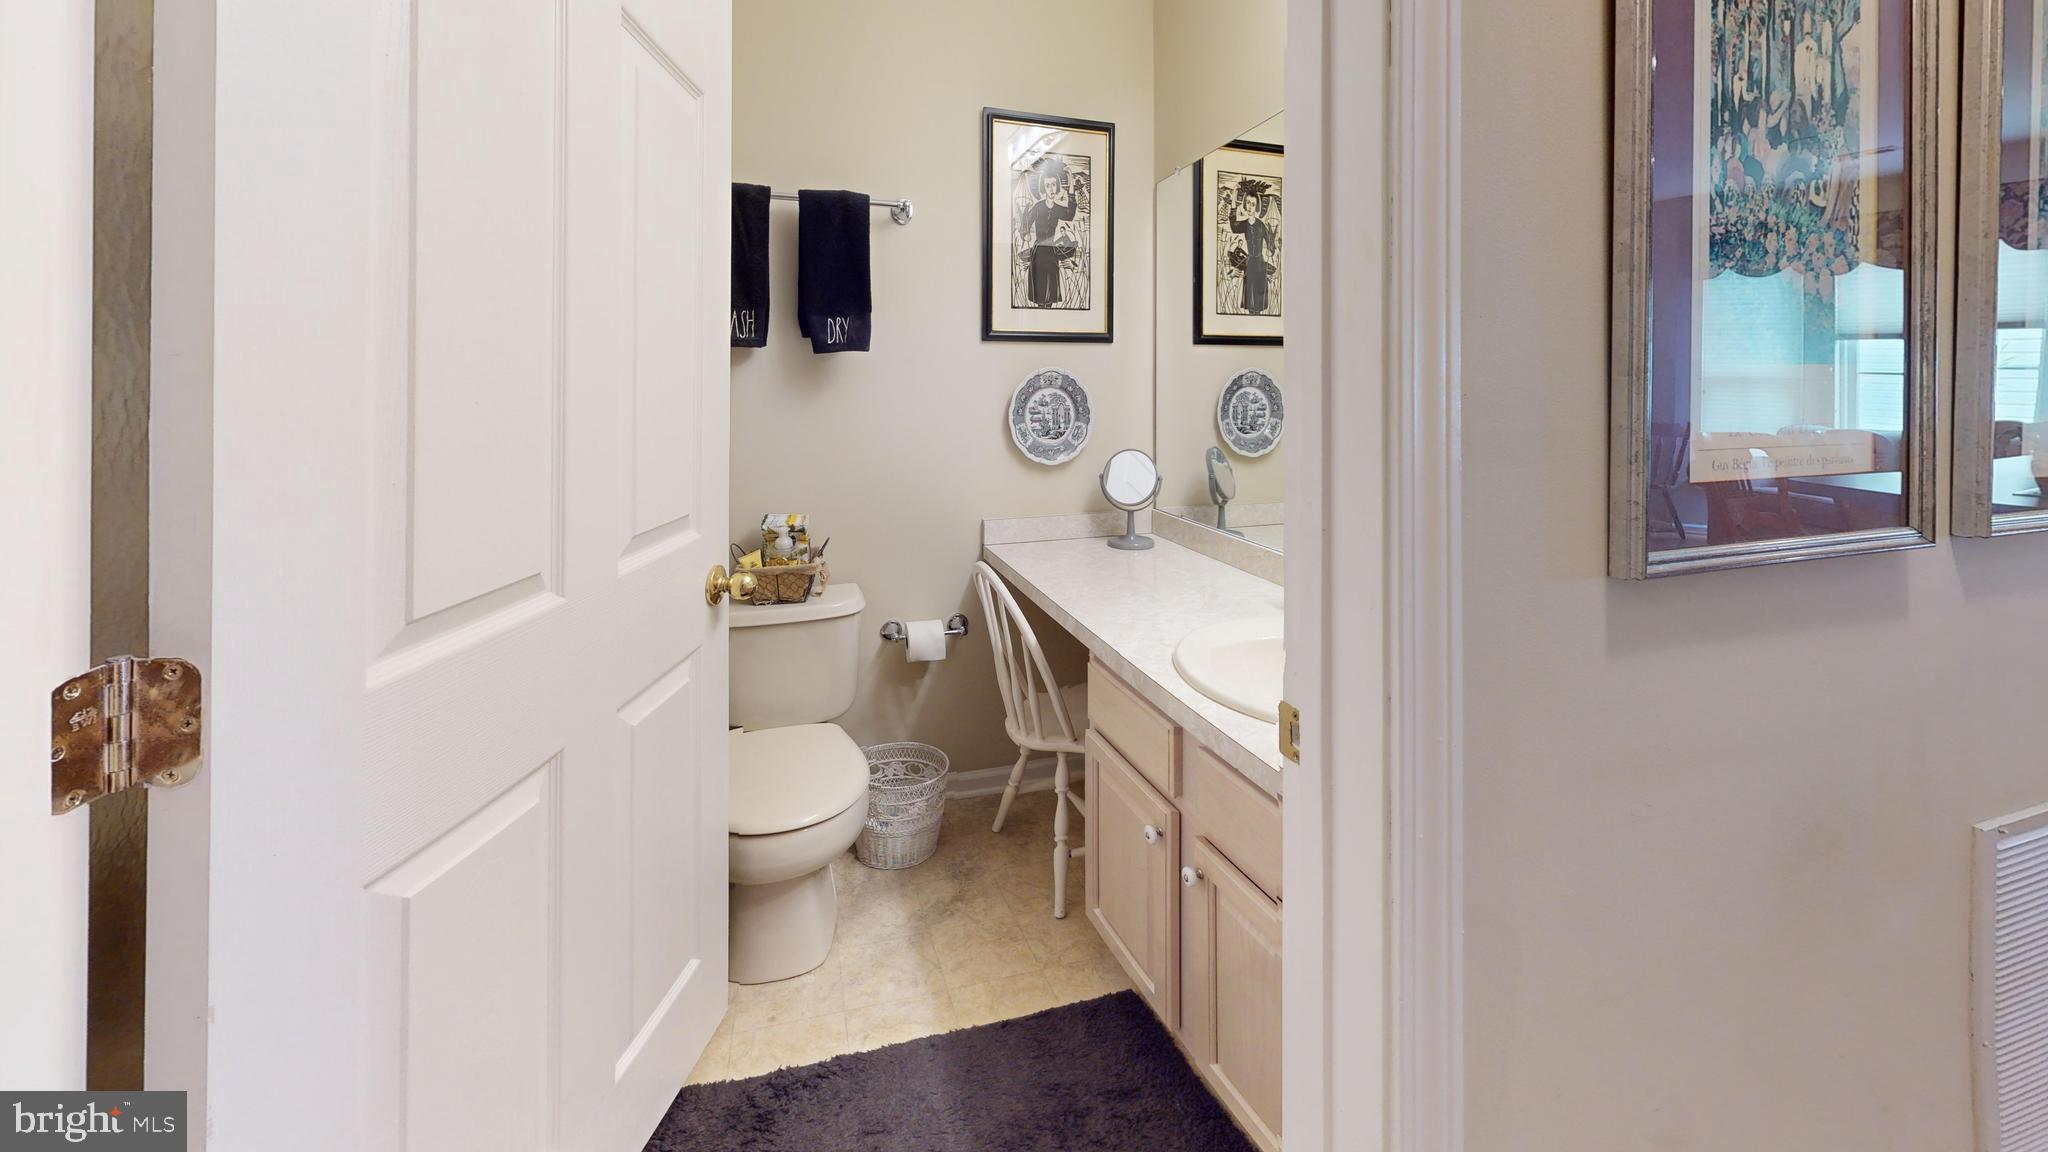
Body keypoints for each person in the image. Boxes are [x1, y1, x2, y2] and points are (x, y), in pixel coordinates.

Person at [1019, 162, 1078, 307]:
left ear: (1057, 186)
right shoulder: (1038, 207)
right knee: (1040, 295)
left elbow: (1070, 214)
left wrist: (1070, 179)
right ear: (1043, 188)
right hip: (1038, 253)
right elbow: (1025, 224)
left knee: (1050, 295)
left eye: (1053, 185)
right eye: (1048, 185)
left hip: (1051, 254)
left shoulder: (1058, 209)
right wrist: (1025, 234)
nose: (1051, 189)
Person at [1230, 178, 1277, 314]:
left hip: (1260, 265)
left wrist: (1271, 251)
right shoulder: (1244, 224)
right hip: (1250, 265)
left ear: (1257, 206)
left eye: (1253, 204)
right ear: (1245, 204)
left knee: (1259, 305)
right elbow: (1233, 227)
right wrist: (1234, 198)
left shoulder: (1261, 225)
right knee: (1250, 304)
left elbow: (1270, 243)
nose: (1250, 207)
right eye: (1248, 203)